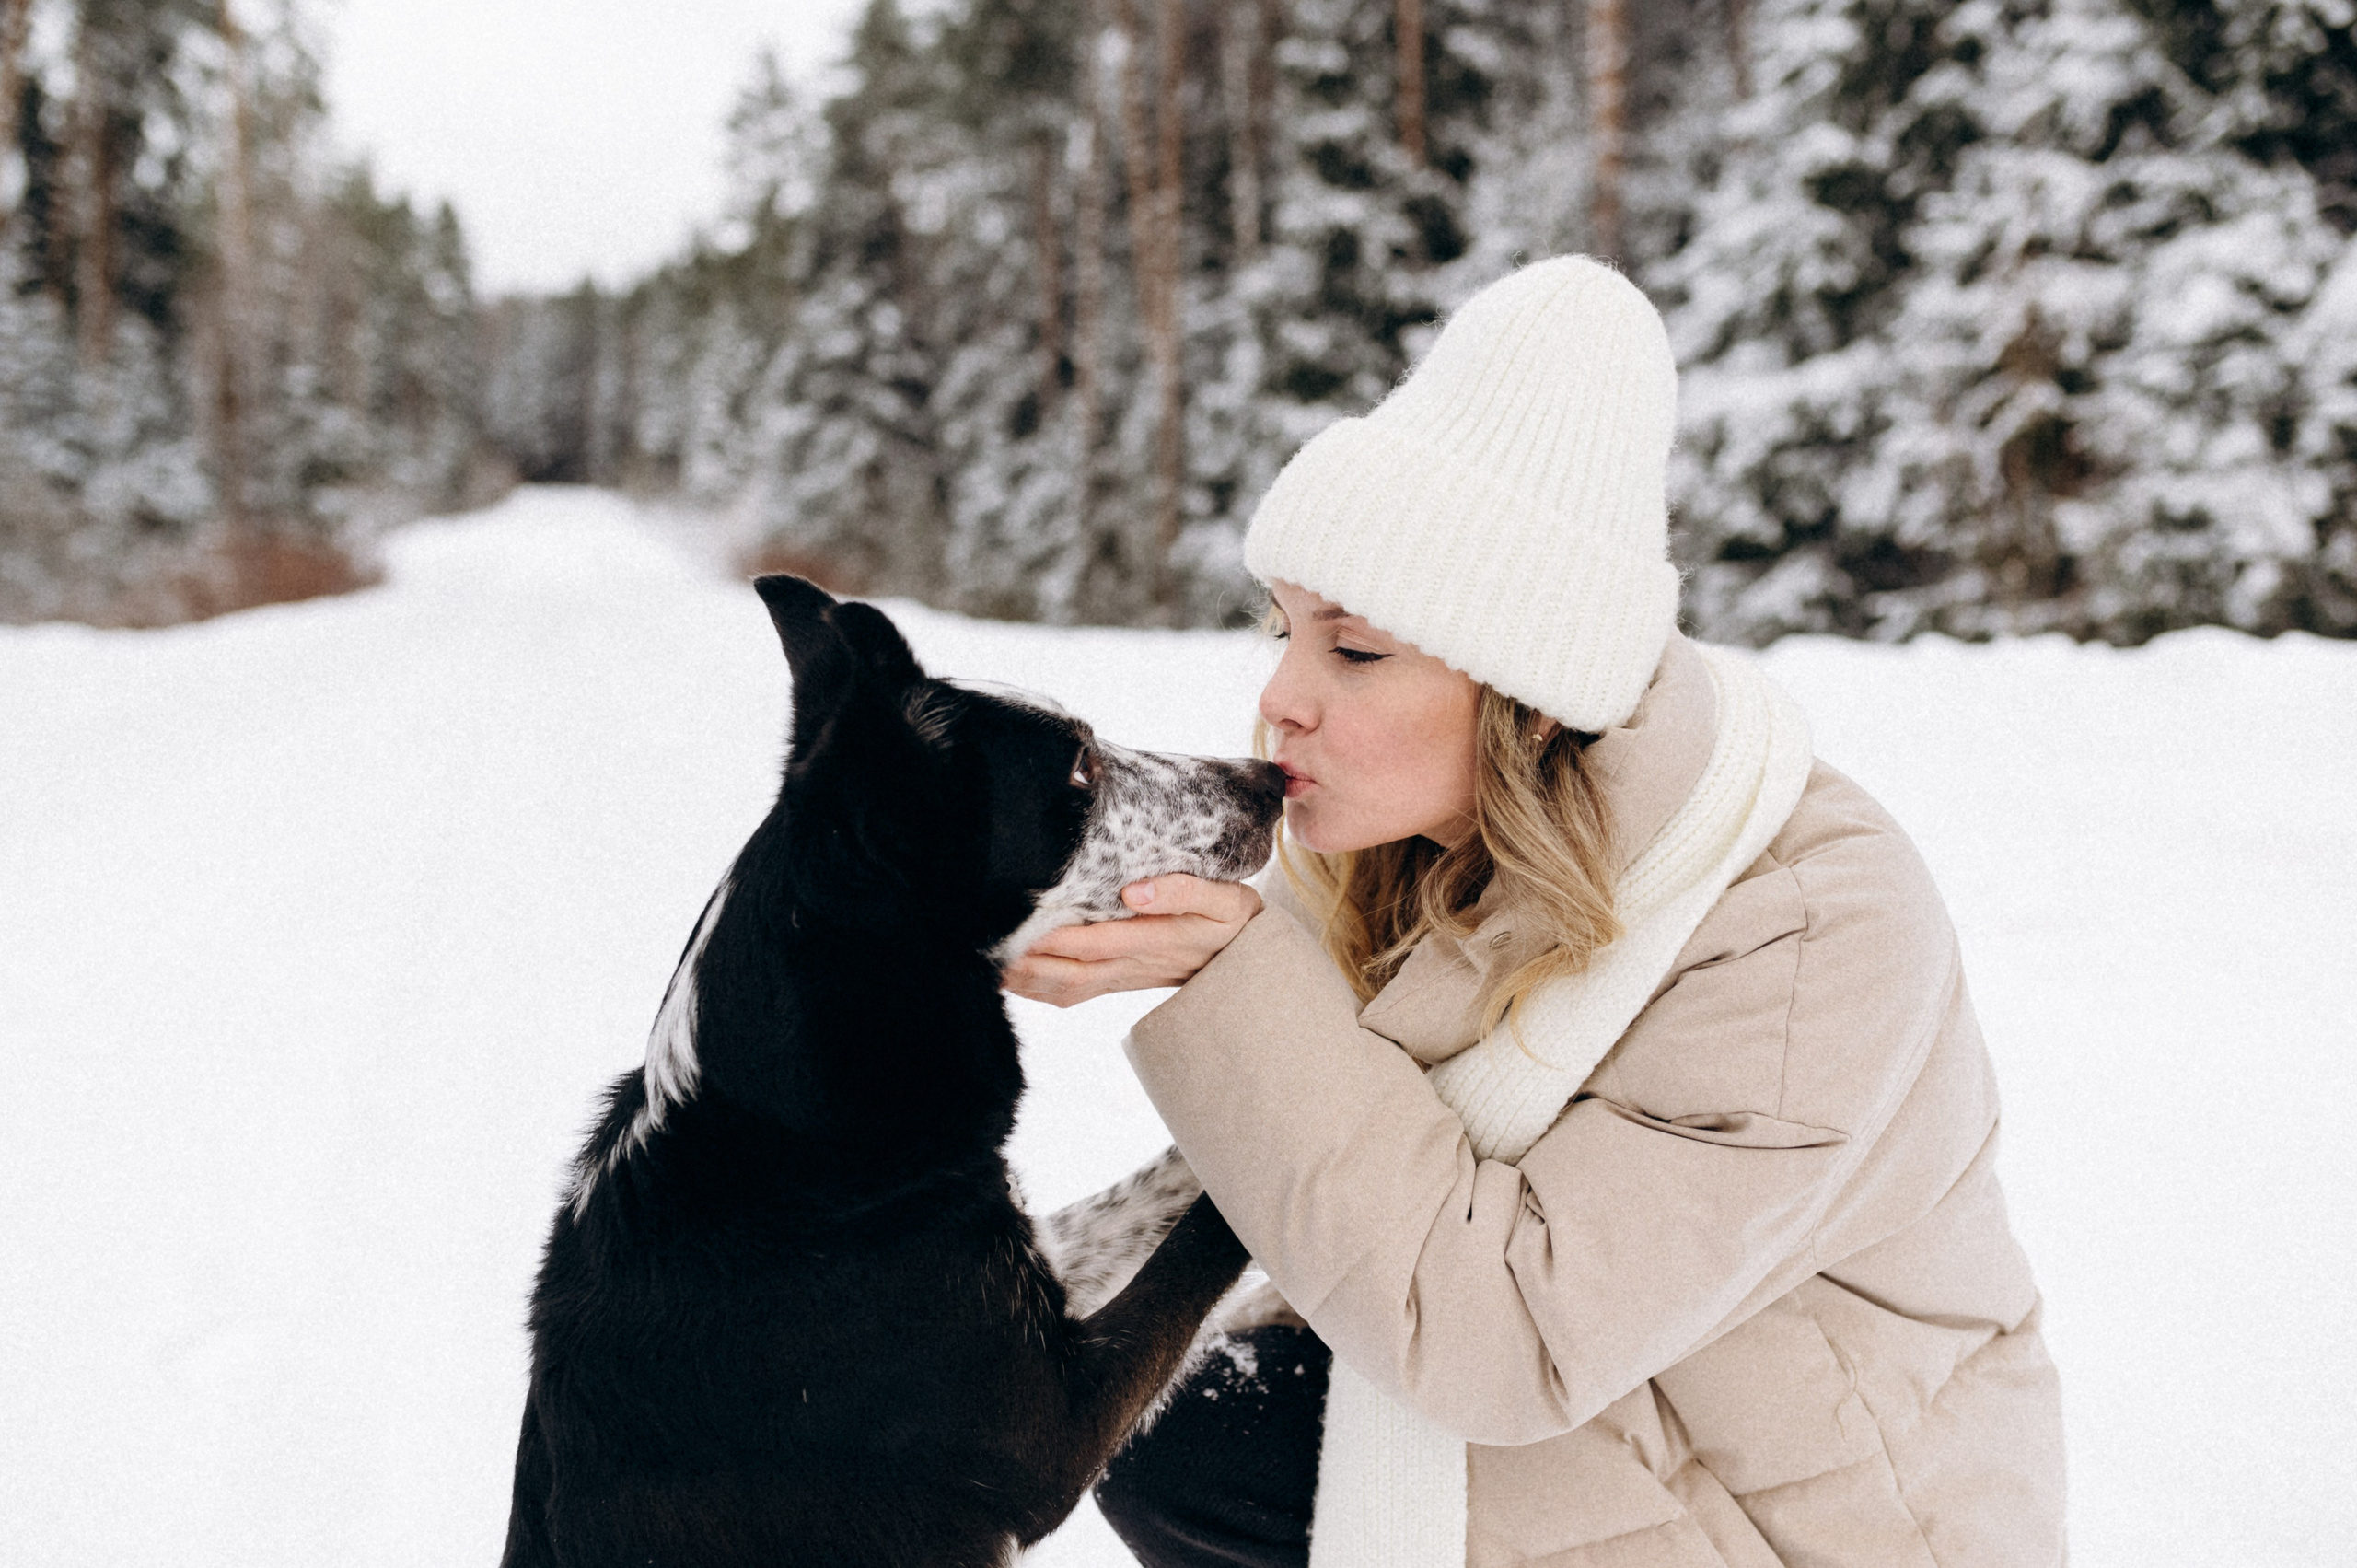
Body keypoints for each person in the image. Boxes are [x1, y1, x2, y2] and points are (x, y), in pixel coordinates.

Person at [1002, 257, 2065, 1568]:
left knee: (1208, 1445)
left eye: (1354, 650)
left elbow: (1501, 1337)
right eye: (1280, 631)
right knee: (1173, 1427)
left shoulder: (1807, 926)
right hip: (1629, 1421)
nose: (1281, 696)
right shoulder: (1393, 853)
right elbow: (1278, 1180)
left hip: (1817, 1523)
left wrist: (1235, 981)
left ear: (1532, 688)